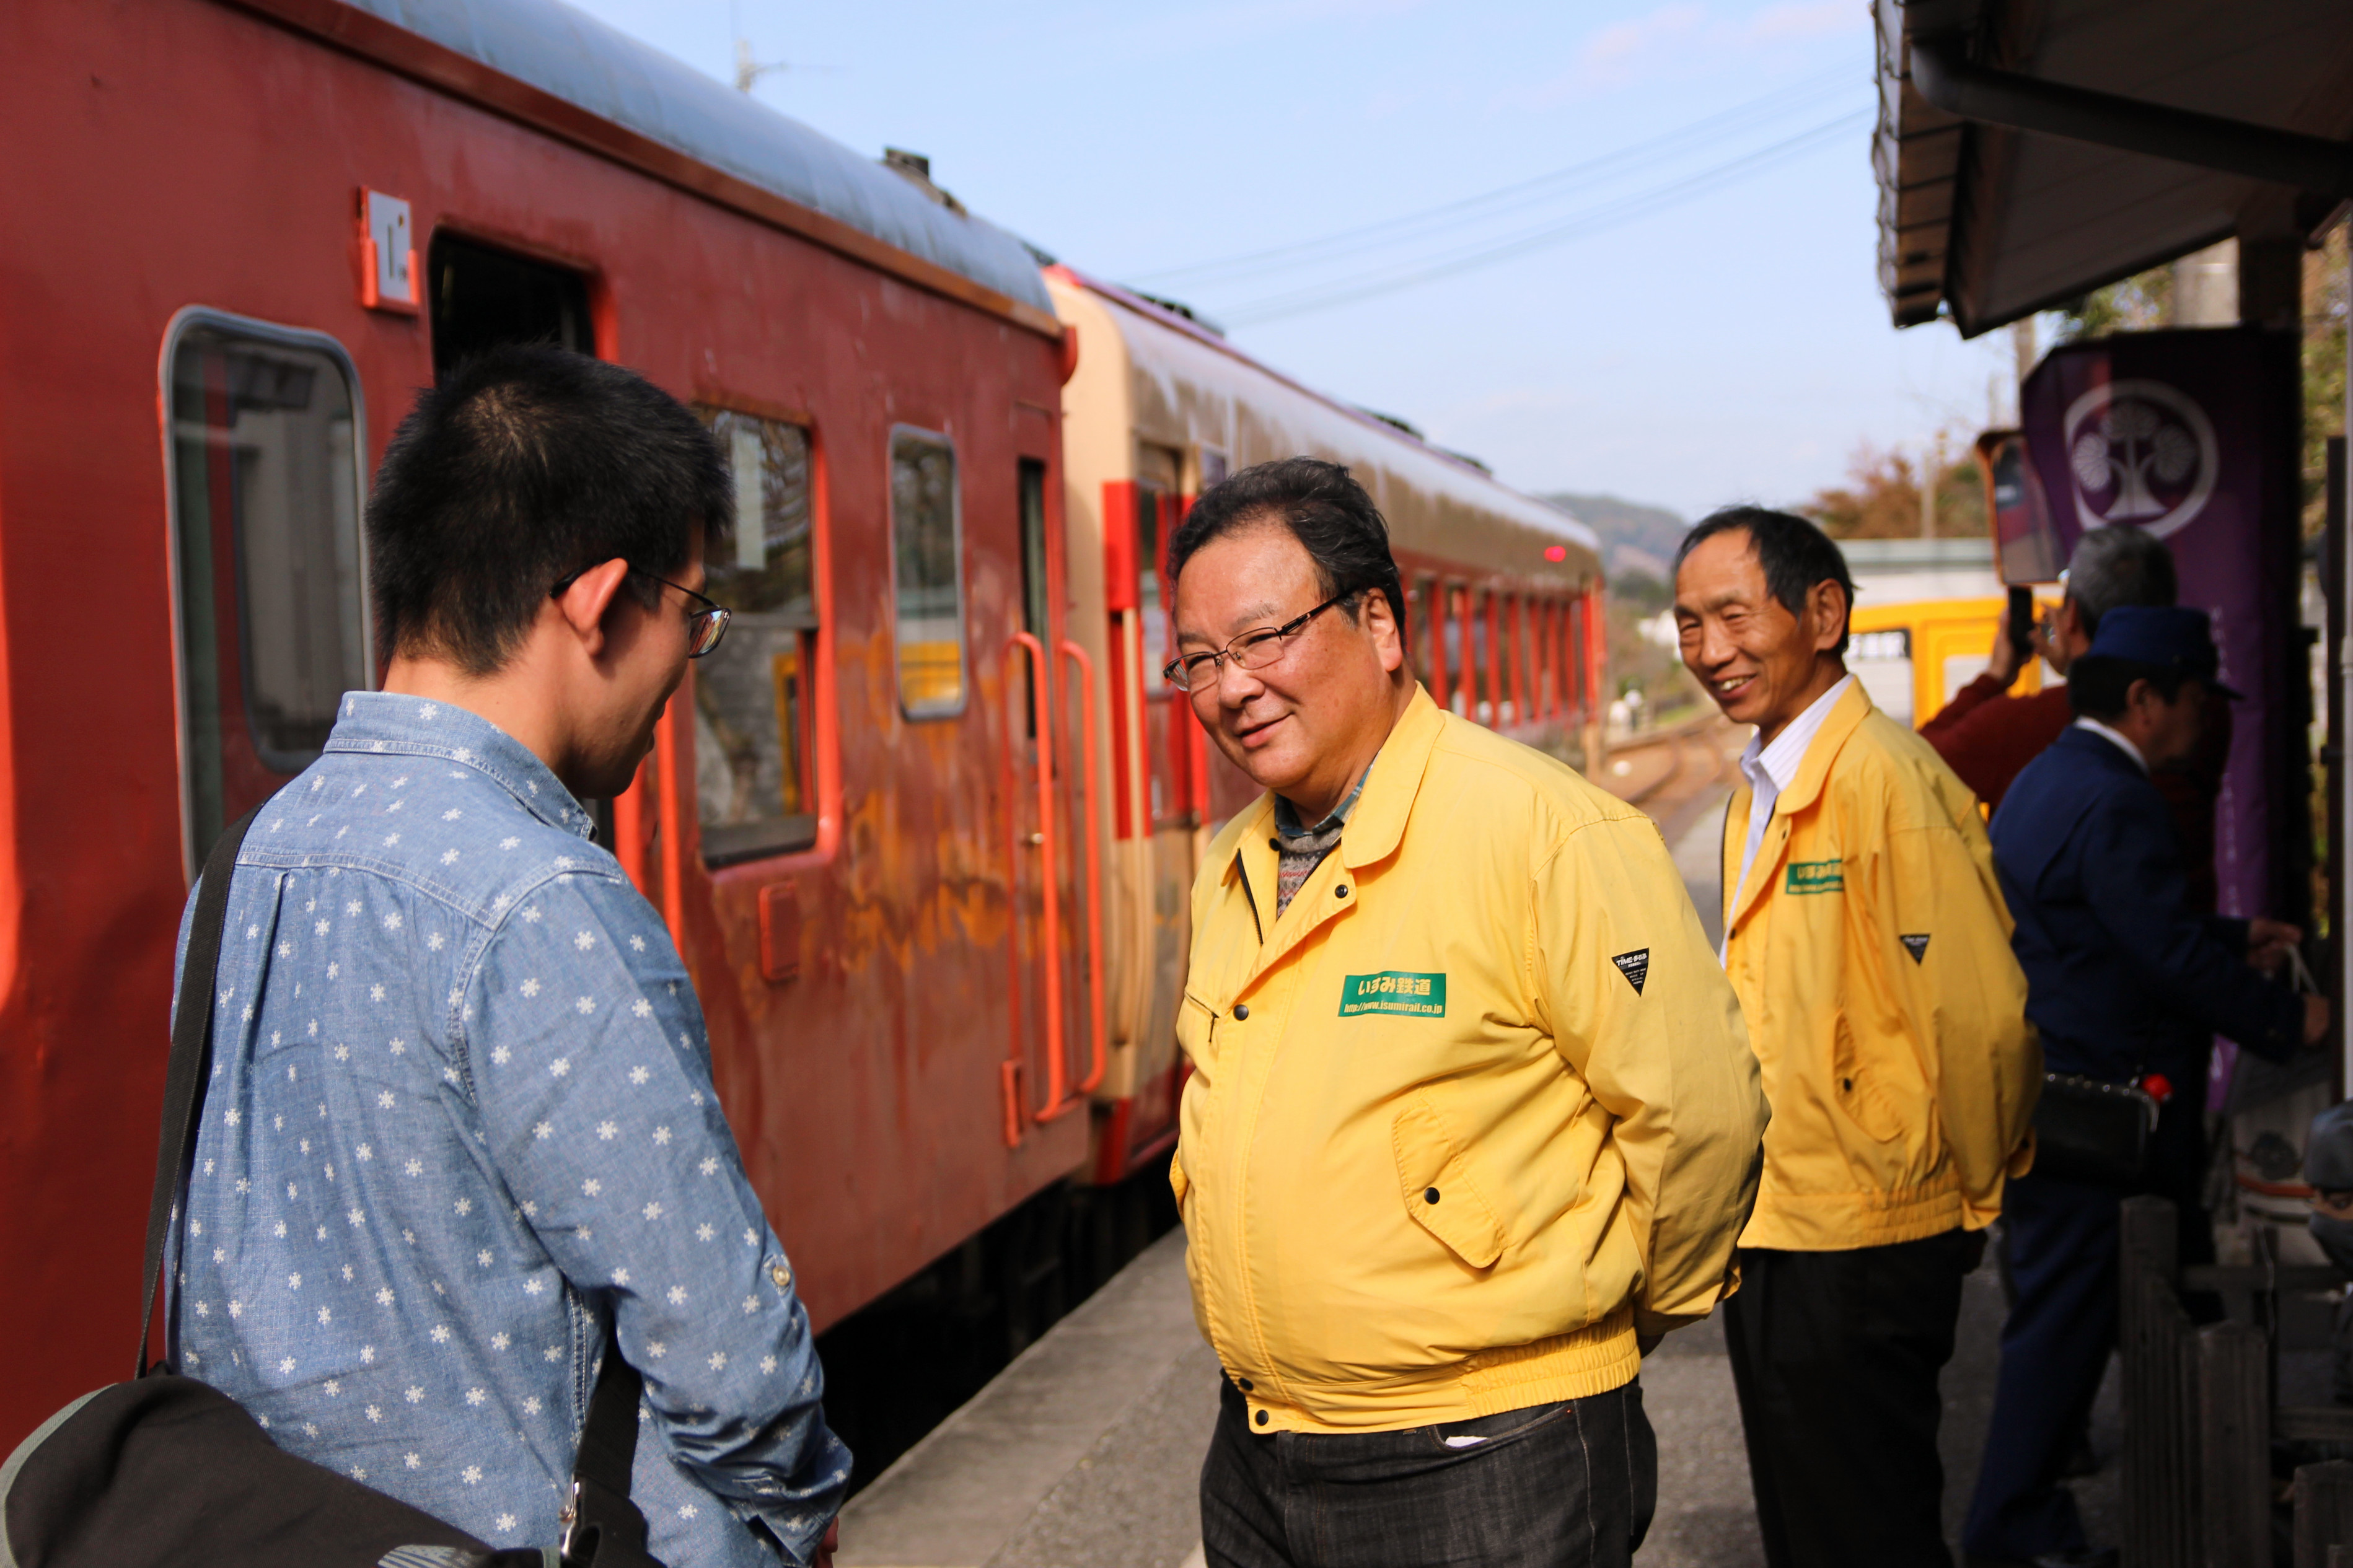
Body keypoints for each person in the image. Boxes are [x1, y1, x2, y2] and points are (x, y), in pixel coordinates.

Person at [169, 346, 848, 1566]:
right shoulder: (543, 899)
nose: (683, 669)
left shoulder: (242, 866)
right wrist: (797, 1511)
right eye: (692, 617)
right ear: (596, 601)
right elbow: (730, 1354)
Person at [1166, 458, 1769, 1568]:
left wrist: (1606, 1328)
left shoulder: (1547, 833)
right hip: (1261, 1450)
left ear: (1379, 623)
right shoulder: (1230, 863)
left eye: (1263, 638)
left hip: (1493, 1450)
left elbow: (1700, 1120)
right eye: (1198, 659)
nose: (1231, 687)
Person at [1673, 506, 2039, 1568]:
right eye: (1689, 624)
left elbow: (1979, 1019)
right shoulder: (1767, 783)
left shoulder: (1884, 780)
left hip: (1866, 1233)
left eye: (1734, 615)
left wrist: (1967, 1197)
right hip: (1783, 1220)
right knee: (1810, 1525)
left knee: (1863, 1529)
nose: (1710, 650)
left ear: (1823, 613)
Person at [1963, 605, 2323, 1568]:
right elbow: (2162, 954)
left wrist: (2232, 934)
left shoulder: (2049, 775)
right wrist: (2292, 1018)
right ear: (2145, 698)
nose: (2205, 718)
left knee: (2106, 1311)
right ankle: (2011, 1525)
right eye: (2196, 697)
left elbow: (2108, 921)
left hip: (2053, 1099)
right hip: (2099, 1113)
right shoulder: (2121, 798)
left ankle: (2241, 1469)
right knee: (2060, 1333)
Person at [1920, 528, 2227, 909]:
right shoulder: (2200, 709)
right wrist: (2082, 669)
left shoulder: (2020, 725)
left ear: (2073, 617)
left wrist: (1997, 675)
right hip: (2187, 927)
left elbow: (1919, 761)